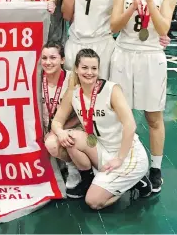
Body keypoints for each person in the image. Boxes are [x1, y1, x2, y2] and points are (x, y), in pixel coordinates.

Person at [110, 0, 176, 193]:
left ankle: (156, 169)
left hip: (151, 55)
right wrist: (130, 7)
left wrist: (149, 2)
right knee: (120, 115)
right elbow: (114, 27)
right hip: (124, 53)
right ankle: (123, 161)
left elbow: (163, 29)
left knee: (153, 116)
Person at [51, 49, 151, 206]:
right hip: (102, 149)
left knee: (93, 201)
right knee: (71, 137)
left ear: (99, 70)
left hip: (127, 155)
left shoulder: (111, 90)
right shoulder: (74, 93)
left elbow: (130, 125)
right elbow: (56, 122)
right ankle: (88, 179)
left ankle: (136, 180)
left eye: (94, 68)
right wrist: (60, 132)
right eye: (84, 68)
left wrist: (119, 158)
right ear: (76, 69)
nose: (89, 72)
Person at [40, 42, 81, 192]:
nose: (48, 62)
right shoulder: (35, 79)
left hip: (69, 126)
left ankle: (74, 169)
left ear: (62, 60)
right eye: (44, 58)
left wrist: (58, 129)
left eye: (53, 57)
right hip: (44, 128)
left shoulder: (73, 79)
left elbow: (81, 115)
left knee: (52, 143)